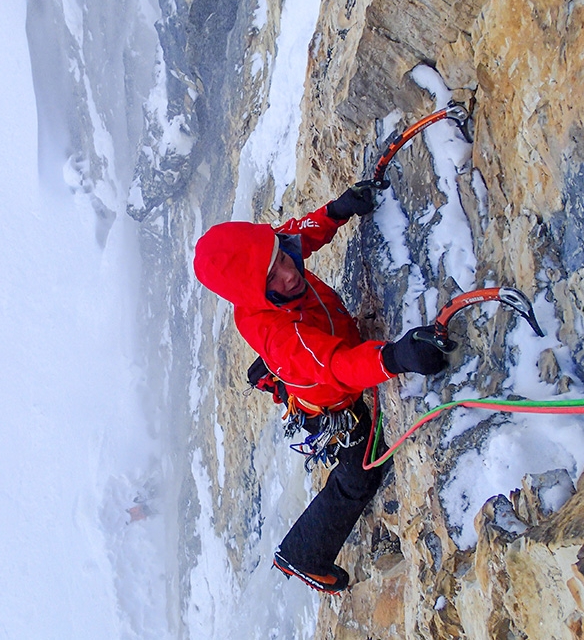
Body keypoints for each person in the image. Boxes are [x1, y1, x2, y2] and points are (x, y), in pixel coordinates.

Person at [192, 183, 447, 593]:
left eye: (279, 257)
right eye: (272, 276)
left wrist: (336, 210)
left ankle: (274, 375)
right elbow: (337, 367)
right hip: (330, 398)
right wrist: (395, 358)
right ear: (252, 295)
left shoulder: (275, 266)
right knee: (361, 473)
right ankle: (303, 555)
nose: (290, 273)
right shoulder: (280, 335)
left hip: (313, 352)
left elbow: (296, 234)